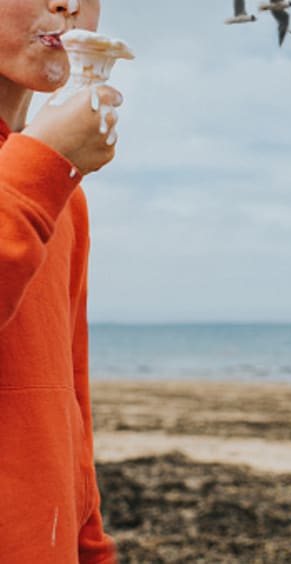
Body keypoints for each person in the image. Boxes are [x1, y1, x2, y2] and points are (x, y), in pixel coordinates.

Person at [0, 0, 123, 561]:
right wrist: (38, 168)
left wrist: (89, 547)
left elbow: (68, 398)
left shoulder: (59, 192)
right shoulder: (38, 176)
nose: (68, 5)